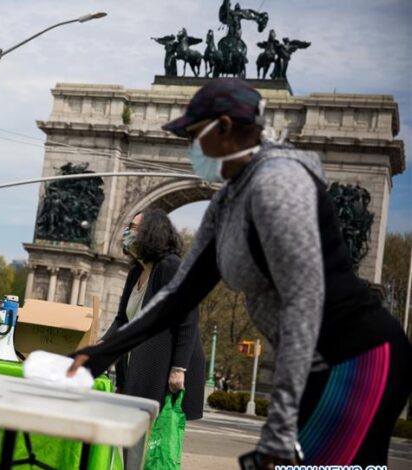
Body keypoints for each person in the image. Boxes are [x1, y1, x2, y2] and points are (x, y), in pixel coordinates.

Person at [68, 78, 412, 468]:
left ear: (226, 127)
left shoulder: (280, 184)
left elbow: (304, 304)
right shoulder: (228, 200)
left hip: (359, 359)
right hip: (321, 365)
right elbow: (178, 295)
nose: (190, 146)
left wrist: (280, 428)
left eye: (195, 134)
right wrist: (100, 354)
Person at [111, 207, 205, 469]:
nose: (128, 232)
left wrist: (179, 369)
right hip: (142, 361)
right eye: (128, 226)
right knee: (135, 434)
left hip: (166, 364)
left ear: (152, 233)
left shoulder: (171, 267)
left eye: (134, 228)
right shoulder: (135, 272)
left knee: (151, 439)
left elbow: (188, 319)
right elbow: (123, 319)